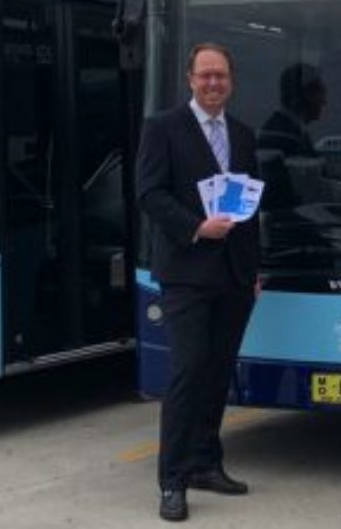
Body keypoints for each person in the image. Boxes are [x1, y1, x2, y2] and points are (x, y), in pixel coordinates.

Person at [135, 43, 262, 523]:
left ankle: (207, 463)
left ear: (231, 81)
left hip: (234, 276)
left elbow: (252, 210)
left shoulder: (244, 135)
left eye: (221, 76)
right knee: (188, 372)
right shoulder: (163, 128)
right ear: (190, 79)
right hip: (186, 274)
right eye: (205, 75)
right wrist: (195, 226)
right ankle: (172, 480)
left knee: (217, 371)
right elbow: (149, 193)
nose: (213, 84)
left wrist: (254, 269)